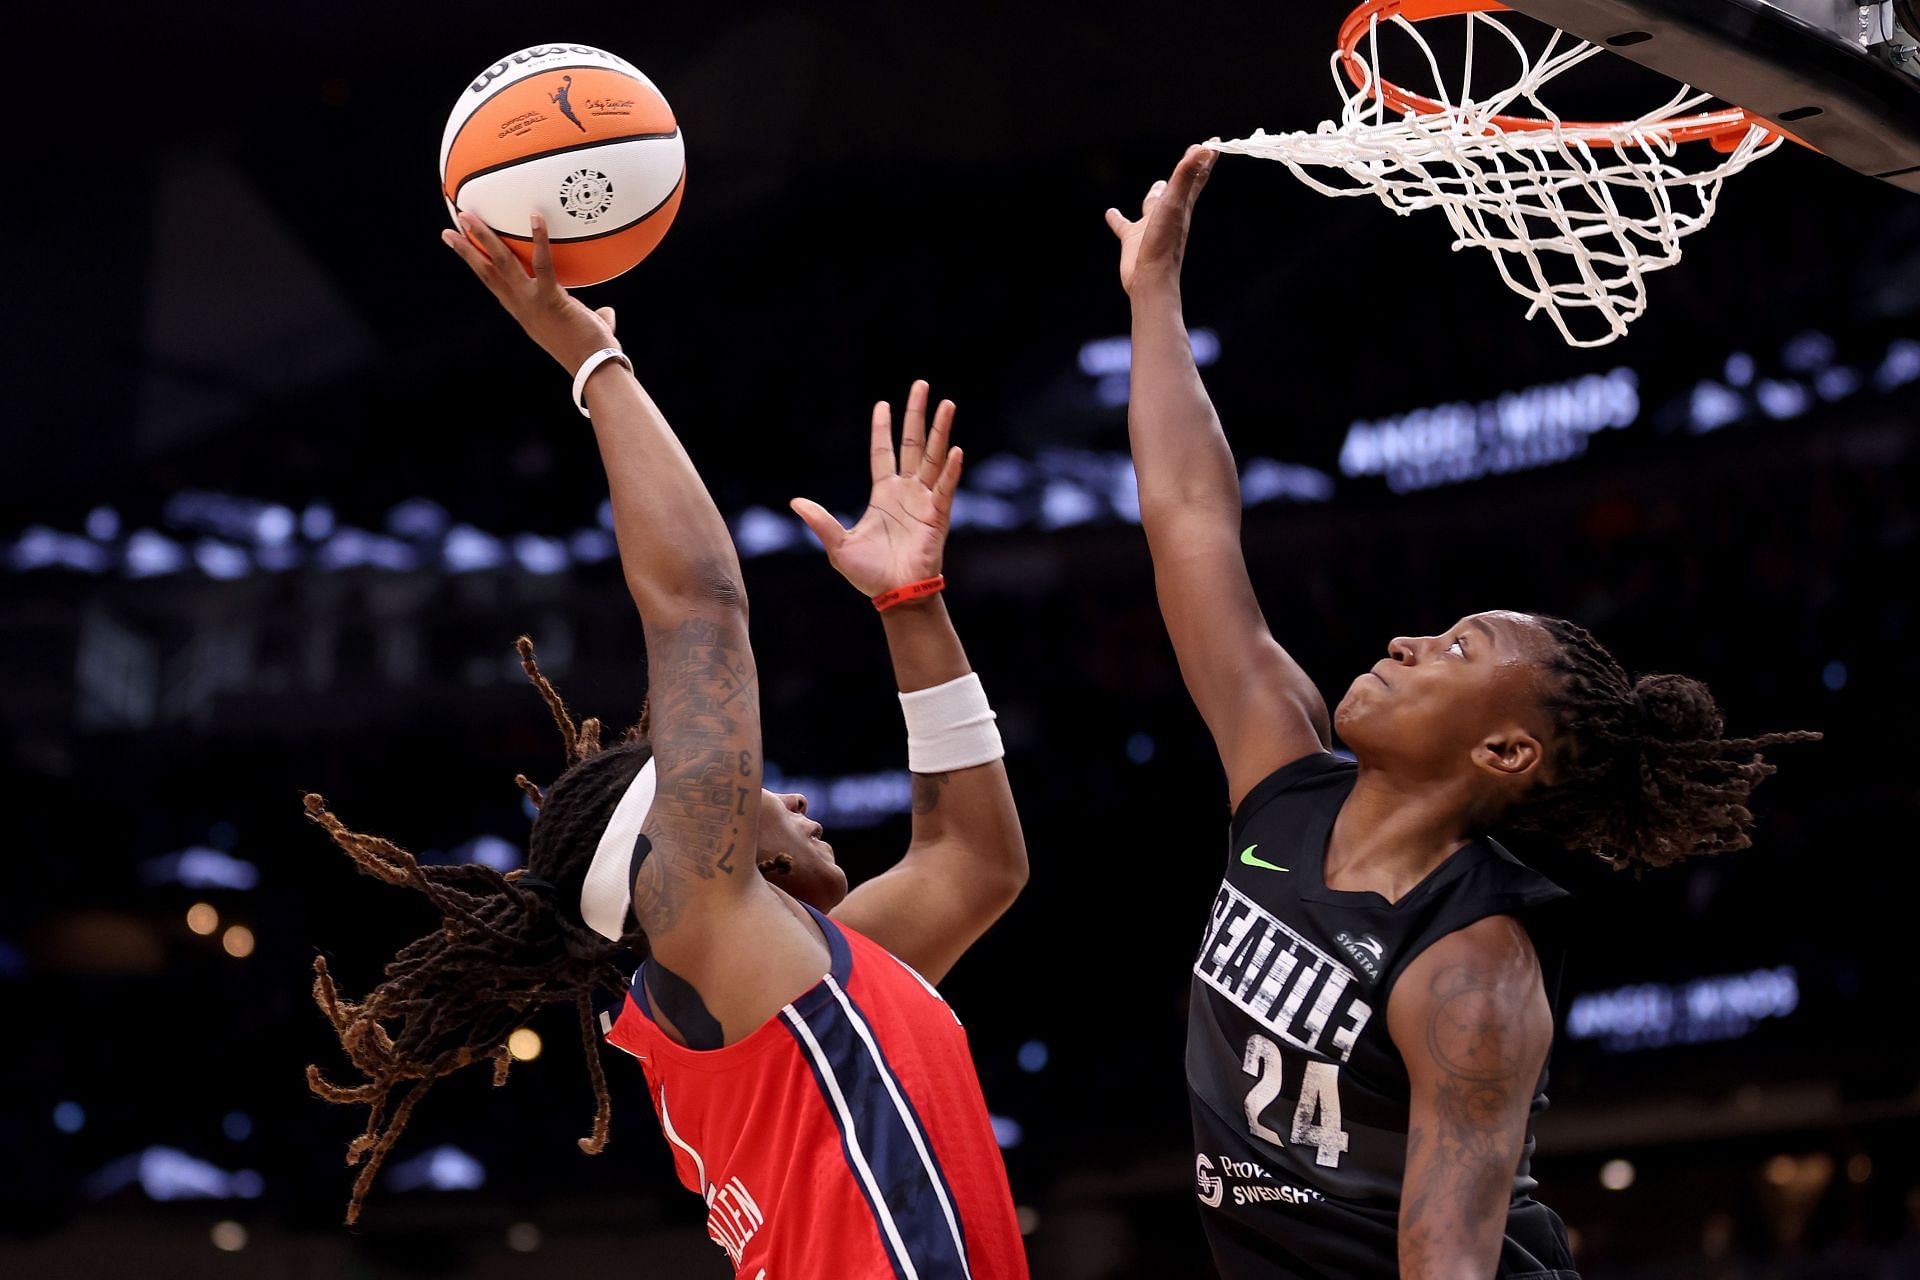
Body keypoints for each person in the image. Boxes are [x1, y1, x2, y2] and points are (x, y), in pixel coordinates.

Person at [1104, 147, 1819, 1280]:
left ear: (1502, 746)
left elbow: (1446, 1263)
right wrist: (1155, 299)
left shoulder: (1474, 967)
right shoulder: (1281, 768)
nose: (1405, 641)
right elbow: (1191, 516)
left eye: (1454, 647)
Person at [302, 211, 1031, 1280]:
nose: (785, 797)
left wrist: (913, 604)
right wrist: (590, 357)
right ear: (693, 834)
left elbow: (976, 860)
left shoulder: (774, 978)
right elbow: (698, 604)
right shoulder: (712, 930)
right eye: (755, 790)